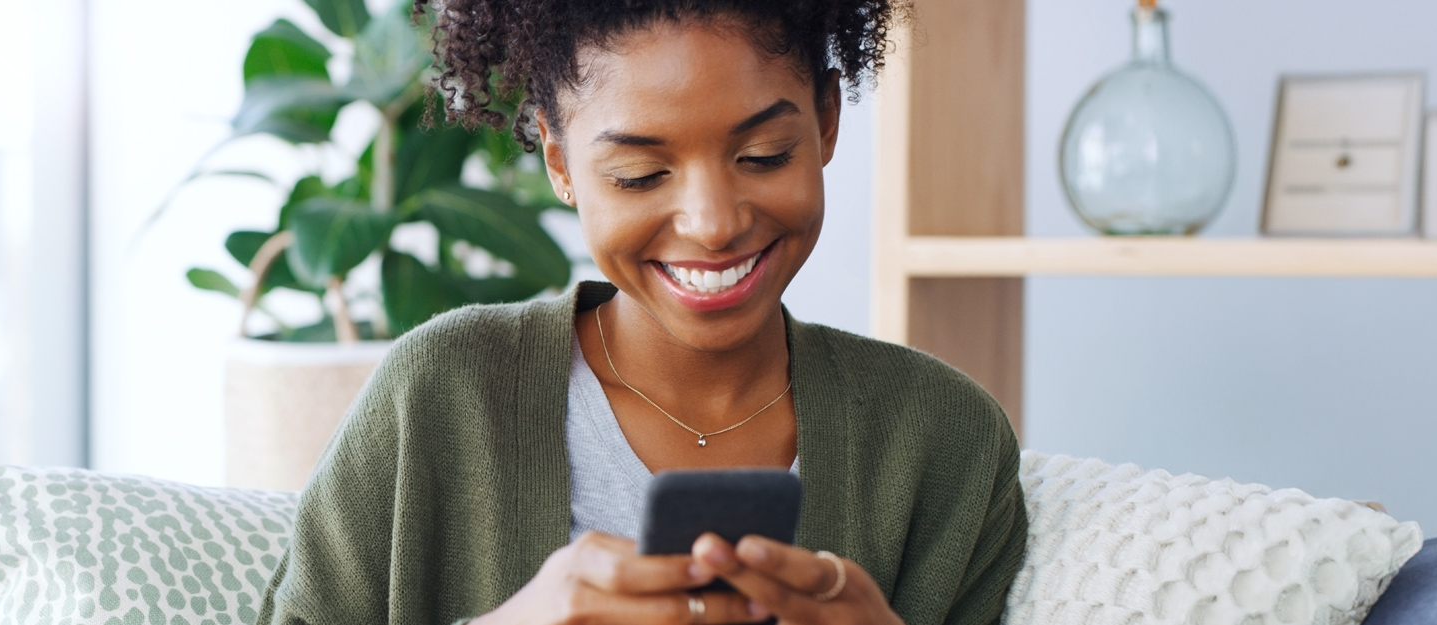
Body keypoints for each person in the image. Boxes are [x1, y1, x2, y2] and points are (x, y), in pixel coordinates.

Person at [256, 1, 1025, 623]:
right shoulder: (444, 392)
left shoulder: (944, 439)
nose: (713, 221)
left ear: (826, 120)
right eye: (639, 174)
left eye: (763, 156)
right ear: (559, 162)